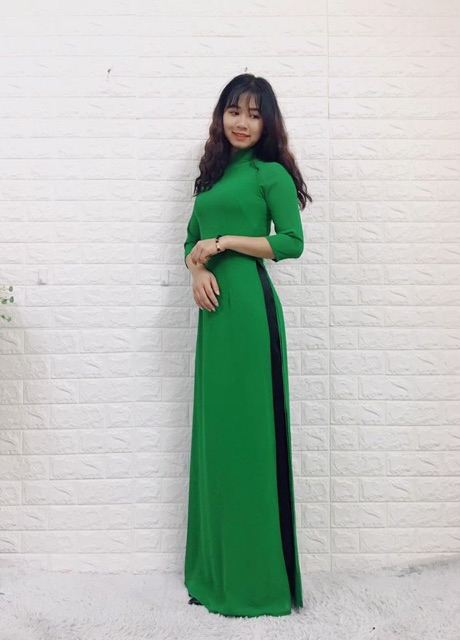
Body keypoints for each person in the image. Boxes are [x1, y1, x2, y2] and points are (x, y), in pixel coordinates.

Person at [183, 73, 313, 618]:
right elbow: (191, 240)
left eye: (255, 114)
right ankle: (215, 573)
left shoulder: (270, 174)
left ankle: (257, 585)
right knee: (218, 441)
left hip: (249, 316)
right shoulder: (214, 176)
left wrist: (226, 243)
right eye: (235, 111)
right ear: (221, 116)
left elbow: (292, 242)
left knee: (249, 440)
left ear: (268, 123)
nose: (242, 122)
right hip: (214, 321)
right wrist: (196, 268)